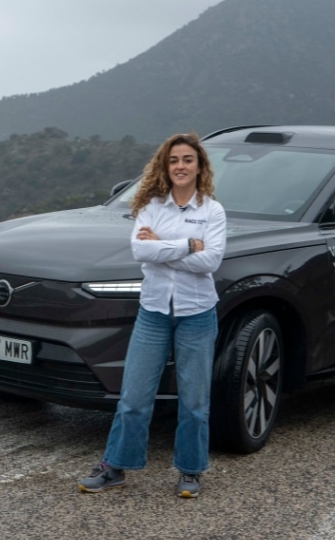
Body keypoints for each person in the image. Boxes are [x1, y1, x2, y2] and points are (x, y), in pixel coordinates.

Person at [78, 131, 226, 498]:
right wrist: (188, 245)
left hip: (197, 314)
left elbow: (212, 260)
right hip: (154, 313)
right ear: (165, 165)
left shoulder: (213, 211)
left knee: (194, 401)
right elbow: (140, 252)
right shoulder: (151, 206)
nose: (180, 166)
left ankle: (190, 471)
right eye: (174, 160)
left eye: (187, 160)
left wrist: (161, 246)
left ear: (199, 166)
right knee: (133, 398)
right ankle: (115, 467)